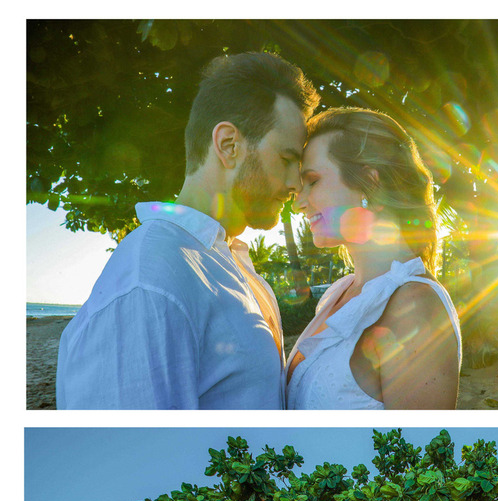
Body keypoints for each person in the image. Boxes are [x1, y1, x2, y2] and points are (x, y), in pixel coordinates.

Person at [57, 52, 319, 409]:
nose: (295, 184)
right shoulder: (151, 280)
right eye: (287, 160)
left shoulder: (227, 262)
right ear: (229, 145)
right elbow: (138, 455)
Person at [287, 108, 461, 409]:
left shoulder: (415, 306)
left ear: (371, 184)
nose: (298, 203)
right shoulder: (340, 292)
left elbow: (418, 453)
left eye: (312, 181)